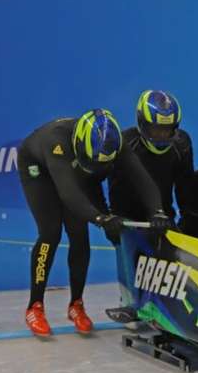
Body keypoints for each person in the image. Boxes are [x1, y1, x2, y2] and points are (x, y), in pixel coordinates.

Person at [17, 109, 171, 337]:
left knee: (80, 236)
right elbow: (68, 193)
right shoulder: (56, 142)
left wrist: (158, 212)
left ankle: (76, 304)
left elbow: (143, 179)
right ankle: (35, 306)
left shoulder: (115, 145)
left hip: (79, 168)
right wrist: (101, 218)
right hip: (41, 169)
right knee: (51, 232)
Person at [107, 90, 193, 317]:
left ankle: (171, 306)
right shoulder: (125, 144)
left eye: (167, 129)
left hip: (162, 215)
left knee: (173, 260)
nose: (162, 135)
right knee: (132, 254)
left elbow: (185, 185)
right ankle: (130, 302)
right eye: (156, 129)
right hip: (128, 216)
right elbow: (113, 186)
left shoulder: (182, 144)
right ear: (143, 124)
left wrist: (186, 219)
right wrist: (115, 220)